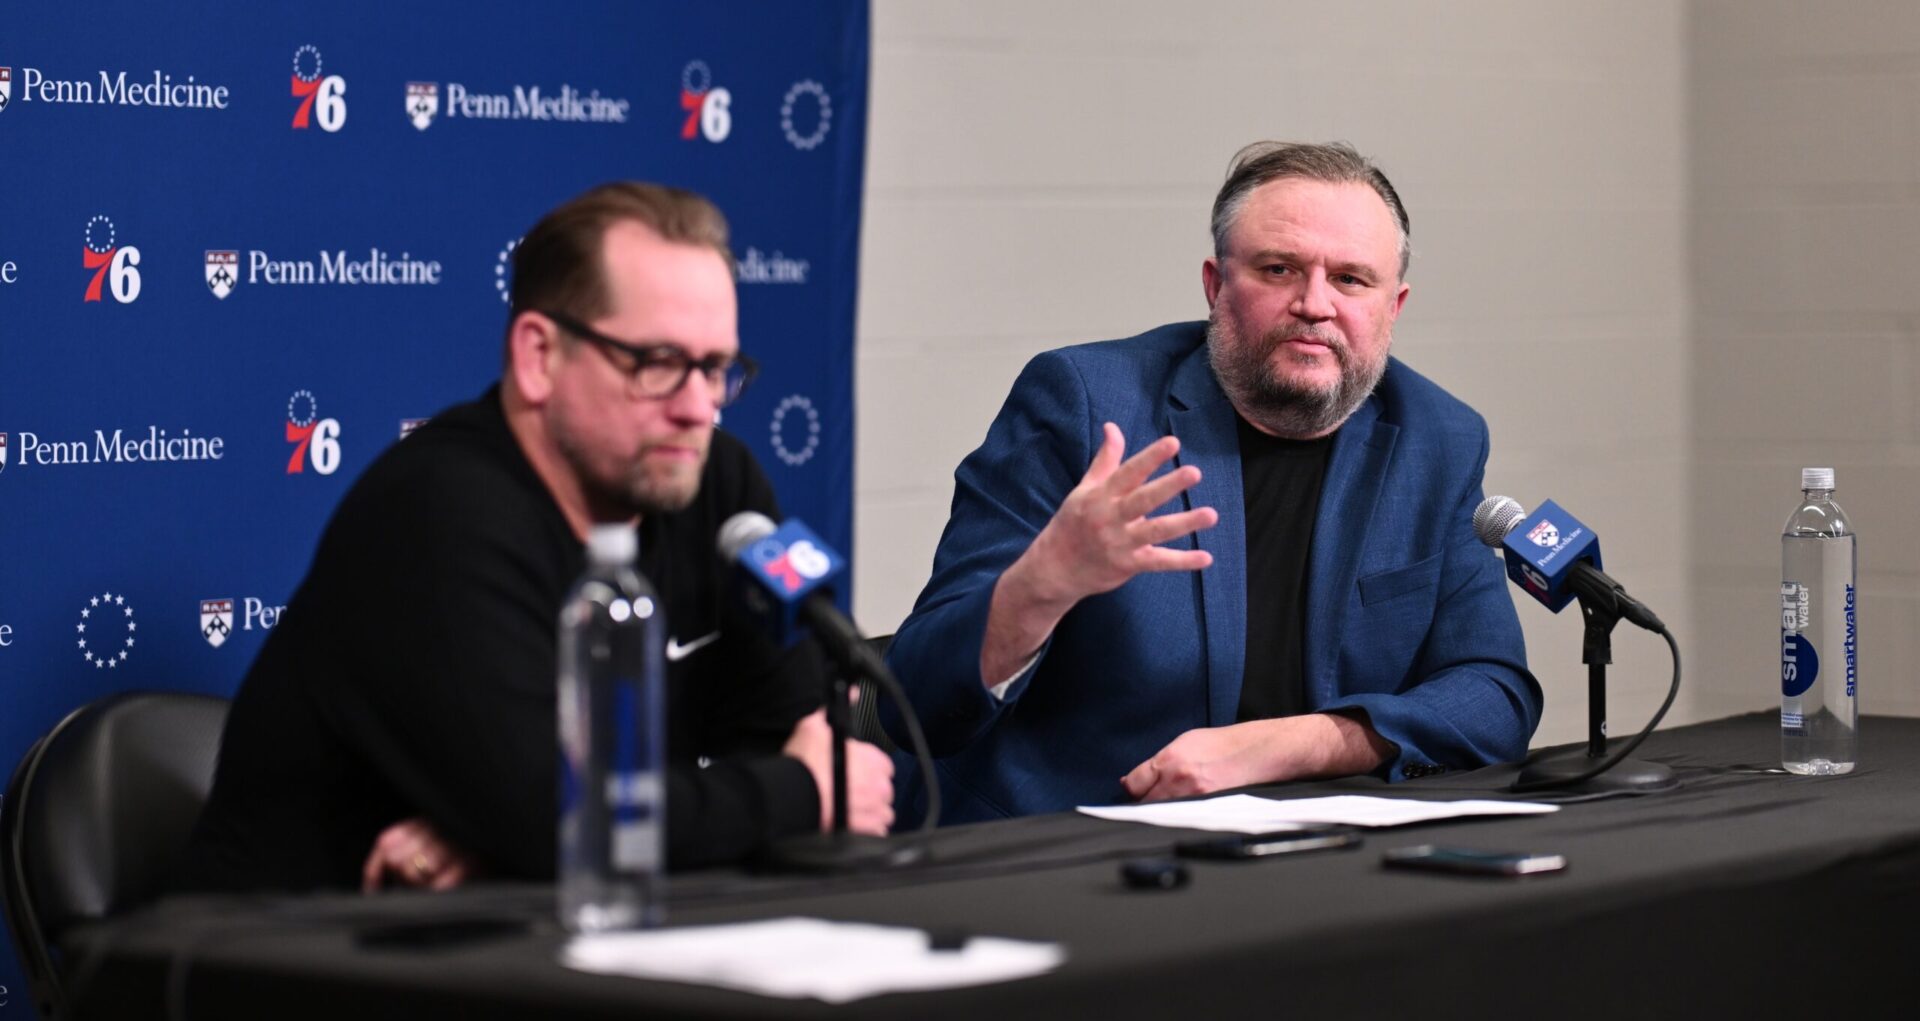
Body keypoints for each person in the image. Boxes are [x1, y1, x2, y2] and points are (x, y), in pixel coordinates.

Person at [181, 182, 893, 893]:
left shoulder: (720, 488)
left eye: (714, 369)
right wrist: (795, 796)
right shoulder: (438, 513)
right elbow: (559, 820)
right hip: (292, 940)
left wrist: (516, 837)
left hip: (551, 928)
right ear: (539, 357)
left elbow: (799, 735)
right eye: (657, 364)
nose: (697, 408)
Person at [884, 142, 1540, 823]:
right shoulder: (1087, 406)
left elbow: (1494, 697)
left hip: (1309, 848)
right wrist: (1041, 584)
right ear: (1215, 285)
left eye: (1350, 279)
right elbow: (917, 701)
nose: (1314, 304)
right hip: (1071, 841)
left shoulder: (1438, 439)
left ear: (1392, 307)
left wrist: (1291, 746)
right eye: (1279, 269)